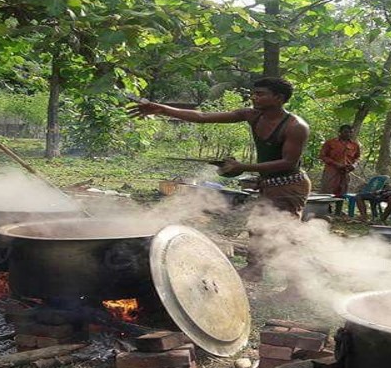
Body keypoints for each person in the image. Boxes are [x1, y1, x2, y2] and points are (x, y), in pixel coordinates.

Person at [129, 77, 311, 281]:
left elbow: (288, 162)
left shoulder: (296, 126)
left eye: (260, 94)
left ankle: (296, 287)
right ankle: (254, 271)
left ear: (278, 98)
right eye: (254, 93)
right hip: (269, 184)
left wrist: (243, 167)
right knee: (258, 227)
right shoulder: (252, 115)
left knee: (286, 234)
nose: (254, 97)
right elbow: (202, 116)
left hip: (290, 185)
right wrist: (162, 109)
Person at [318, 125, 360, 214]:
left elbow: (357, 157)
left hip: (346, 171)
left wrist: (354, 165)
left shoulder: (354, 145)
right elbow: (322, 156)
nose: (347, 134)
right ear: (340, 132)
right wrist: (336, 164)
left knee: (343, 190)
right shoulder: (330, 142)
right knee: (328, 188)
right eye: (345, 132)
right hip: (332, 169)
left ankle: (338, 211)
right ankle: (326, 209)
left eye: (350, 132)